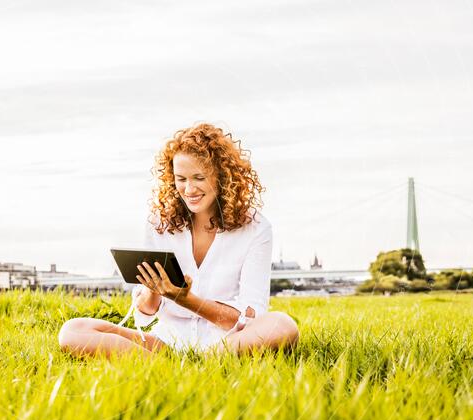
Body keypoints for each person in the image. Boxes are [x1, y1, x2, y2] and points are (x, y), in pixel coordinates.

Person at [58, 123, 299, 358]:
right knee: (73, 331)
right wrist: (153, 291)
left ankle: (207, 359)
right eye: (181, 179)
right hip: (166, 342)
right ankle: (158, 361)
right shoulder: (159, 223)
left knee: (282, 326)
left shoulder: (256, 228)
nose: (189, 189)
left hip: (227, 342)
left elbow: (251, 317)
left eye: (199, 177)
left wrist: (187, 300)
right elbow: (147, 311)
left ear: (223, 177)